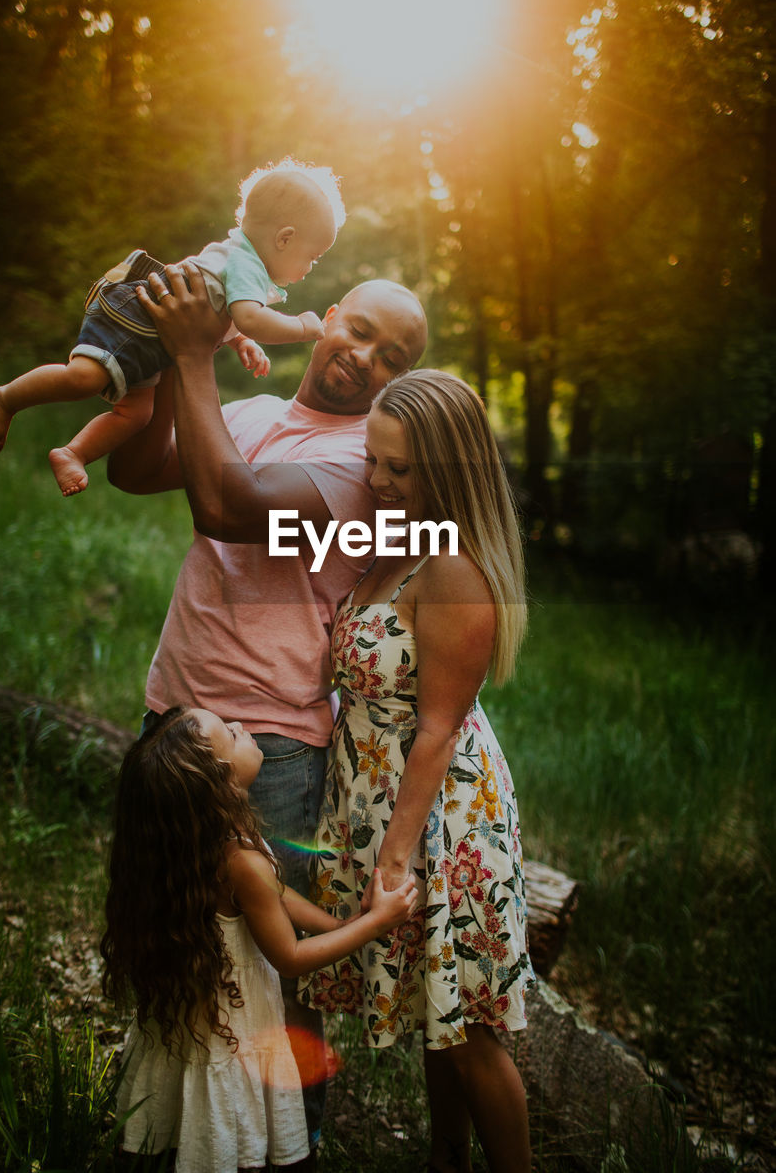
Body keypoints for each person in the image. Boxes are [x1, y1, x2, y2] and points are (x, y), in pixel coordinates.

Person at [106, 262, 428, 1148]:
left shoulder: (360, 470)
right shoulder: (245, 415)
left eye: (391, 357)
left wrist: (195, 354)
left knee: (271, 965)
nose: (365, 358)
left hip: (273, 745)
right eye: (358, 330)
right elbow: (134, 471)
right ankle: (180, 1120)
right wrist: (167, 358)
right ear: (323, 320)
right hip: (175, 715)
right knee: (172, 931)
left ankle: (294, 1138)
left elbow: (223, 504)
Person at [297, 369, 535, 1173]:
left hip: (439, 816)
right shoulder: (402, 539)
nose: (378, 480)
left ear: (449, 468)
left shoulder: (454, 568)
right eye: (375, 460)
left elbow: (436, 726)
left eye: (399, 469)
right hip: (381, 795)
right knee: (441, 1018)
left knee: (467, 1030)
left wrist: (394, 856)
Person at [101, 704, 418, 1173]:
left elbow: (278, 893)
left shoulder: (199, 841)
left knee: (177, 1115)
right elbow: (288, 957)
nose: (239, 725)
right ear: (225, 780)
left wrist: (339, 926)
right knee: (225, 1128)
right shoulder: (241, 863)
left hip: (195, 1017)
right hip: (235, 1027)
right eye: (231, 733)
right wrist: (374, 926)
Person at [0, 159, 343, 496]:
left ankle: (73, 452)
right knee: (84, 377)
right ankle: (6, 398)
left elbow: (223, 312)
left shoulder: (242, 262)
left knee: (137, 415)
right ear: (285, 238)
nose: (310, 268)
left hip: (153, 341)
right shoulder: (248, 265)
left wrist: (239, 341)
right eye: (312, 257)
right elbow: (248, 315)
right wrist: (301, 326)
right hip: (133, 317)